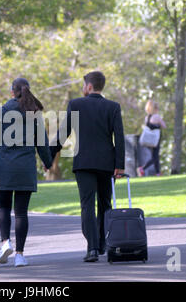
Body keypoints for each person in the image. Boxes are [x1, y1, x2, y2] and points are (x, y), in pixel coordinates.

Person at [50, 71, 125, 263]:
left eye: (84, 85)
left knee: (87, 205)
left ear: (89, 86)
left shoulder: (76, 105)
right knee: (105, 204)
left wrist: (48, 156)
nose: (83, 89)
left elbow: (63, 134)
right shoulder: (113, 107)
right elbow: (120, 138)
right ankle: (103, 244)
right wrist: (120, 165)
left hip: (83, 163)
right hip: (107, 164)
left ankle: (92, 248)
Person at [0, 78, 53, 267]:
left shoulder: (2, 111)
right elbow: (42, 143)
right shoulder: (34, 113)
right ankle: (20, 255)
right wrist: (47, 162)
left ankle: (5, 243)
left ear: (12, 92)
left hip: (5, 166)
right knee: (21, 213)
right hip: (26, 167)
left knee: (3, 207)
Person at [137, 100, 166, 177]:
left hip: (148, 140)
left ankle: (158, 173)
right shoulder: (157, 117)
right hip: (155, 140)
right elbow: (164, 126)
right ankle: (143, 168)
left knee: (155, 156)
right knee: (155, 157)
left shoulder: (147, 117)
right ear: (156, 108)